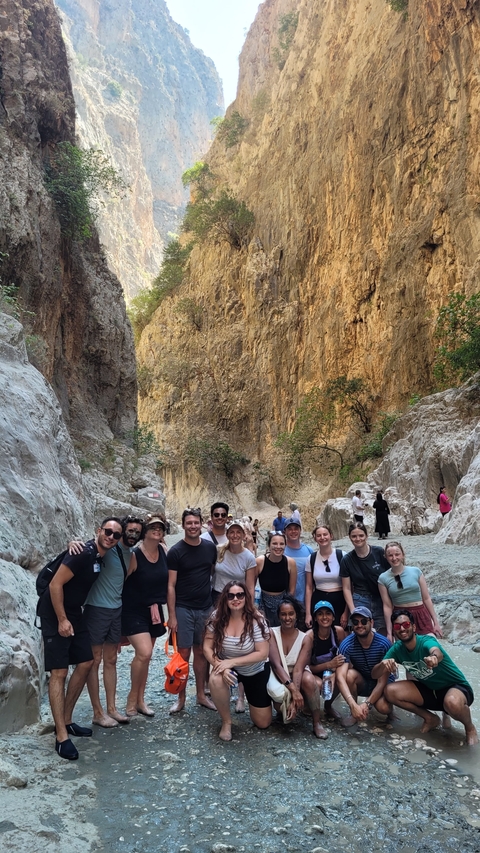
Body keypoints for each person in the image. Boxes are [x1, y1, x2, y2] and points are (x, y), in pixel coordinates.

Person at [38, 517, 124, 760]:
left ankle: (66, 720)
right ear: (99, 531)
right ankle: (61, 736)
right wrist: (62, 620)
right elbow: (55, 585)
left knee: (86, 662)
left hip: (75, 613)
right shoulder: (82, 553)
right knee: (59, 672)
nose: (111, 536)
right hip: (55, 613)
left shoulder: (98, 556)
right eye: (108, 531)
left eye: (116, 534)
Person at [372, 610, 478, 746]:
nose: (402, 629)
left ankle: (470, 728)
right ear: (394, 630)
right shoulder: (397, 649)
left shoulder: (425, 641)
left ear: (414, 627)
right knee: (390, 691)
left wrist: (434, 658)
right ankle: (430, 718)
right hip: (430, 690)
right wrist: (383, 664)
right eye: (397, 626)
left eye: (406, 624)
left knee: (452, 702)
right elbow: (374, 674)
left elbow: (436, 651)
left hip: (455, 688)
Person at [204, 581, 271, 741]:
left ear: (246, 597)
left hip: (254, 670)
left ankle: (249, 697)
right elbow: (207, 647)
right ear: (225, 598)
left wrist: (231, 663)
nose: (236, 599)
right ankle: (226, 722)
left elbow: (262, 653)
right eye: (231, 596)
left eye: (240, 595)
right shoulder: (217, 617)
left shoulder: (256, 619)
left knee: (263, 723)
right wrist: (221, 666)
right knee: (215, 678)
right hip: (228, 668)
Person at [167, 508, 217, 714]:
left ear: (201, 523)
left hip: (205, 607)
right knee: (183, 654)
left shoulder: (210, 548)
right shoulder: (175, 551)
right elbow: (171, 585)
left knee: (201, 652)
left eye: (196, 522)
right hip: (183, 608)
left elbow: (211, 572)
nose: (193, 526)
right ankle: (181, 698)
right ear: (183, 525)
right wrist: (171, 616)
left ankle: (201, 695)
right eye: (189, 523)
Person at [122, 516, 169, 717]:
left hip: (154, 611)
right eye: (152, 527)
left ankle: (141, 700)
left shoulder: (164, 551)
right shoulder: (134, 555)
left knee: (146, 658)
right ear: (145, 531)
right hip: (133, 610)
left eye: (160, 528)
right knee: (144, 652)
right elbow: (120, 582)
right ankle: (132, 698)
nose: (157, 530)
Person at [213, 519, 257, 713]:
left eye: (239, 532)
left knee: (240, 645)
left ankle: (240, 696)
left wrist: (251, 608)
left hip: (238, 602)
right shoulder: (218, 550)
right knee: (219, 644)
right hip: (218, 600)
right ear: (227, 533)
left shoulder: (248, 557)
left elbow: (250, 586)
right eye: (232, 532)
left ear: (244, 534)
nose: (235, 535)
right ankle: (220, 686)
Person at [269, 596, 327, 738]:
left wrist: (295, 694)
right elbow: (276, 665)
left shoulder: (305, 638)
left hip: (298, 674)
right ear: (278, 616)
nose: (287, 618)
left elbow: (298, 669)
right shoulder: (271, 633)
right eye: (283, 614)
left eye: (291, 614)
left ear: (296, 615)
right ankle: (285, 709)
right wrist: (293, 691)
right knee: (280, 707)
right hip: (279, 674)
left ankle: (317, 722)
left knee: (310, 680)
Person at [335, 606, 394, 726]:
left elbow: (382, 682)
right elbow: (340, 677)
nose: (359, 625)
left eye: (363, 621)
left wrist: (367, 704)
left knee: (383, 708)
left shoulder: (383, 644)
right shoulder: (347, 644)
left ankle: (390, 711)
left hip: (382, 682)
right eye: (355, 622)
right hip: (363, 680)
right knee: (348, 675)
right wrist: (352, 705)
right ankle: (354, 711)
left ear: (371, 623)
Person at [378, 541, 442, 641]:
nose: (394, 558)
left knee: (430, 643)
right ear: (386, 557)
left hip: (420, 613)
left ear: (403, 554)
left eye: (397, 554)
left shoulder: (416, 571)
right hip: (400, 617)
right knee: (405, 647)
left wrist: (436, 623)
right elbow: (387, 606)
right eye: (390, 555)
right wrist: (389, 632)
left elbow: (426, 598)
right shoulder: (383, 578)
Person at [340, 522, 390, 634]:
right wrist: (352, 609)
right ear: (350, 538)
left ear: (366, 536)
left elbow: (390, 576)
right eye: (354, 536)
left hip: (381, 598)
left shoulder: (379, 552)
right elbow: (346, 588)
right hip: (360, 599)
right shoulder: (347, 560)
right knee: (361, 633)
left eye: (361, 535)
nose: (358, 539)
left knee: (383, 633)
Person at [308, 600, 347, 721]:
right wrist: (329, 664)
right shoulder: (309, 636)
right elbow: (306, 667)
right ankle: (310, 705)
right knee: (318, 684)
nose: (324, 617)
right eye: (320, 614)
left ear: (333, 617)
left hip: (331, 672)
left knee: (343, 677)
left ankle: (328, 706)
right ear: (315, 618)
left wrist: (336, 673)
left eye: (328, 613)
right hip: (313, 673)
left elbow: (345, 658)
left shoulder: (339, 632)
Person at [305, 525, 347, 627]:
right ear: (315, 538)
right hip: (319, 599)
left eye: (325, 534)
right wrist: (308, 613)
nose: (322, 537)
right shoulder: (311, 558)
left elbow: (349, 587)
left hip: (339, 599)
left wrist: (346, 612)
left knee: (340, 631)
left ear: (331, 536)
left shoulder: (342, 555)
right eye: (319, 535)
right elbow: (309, 587)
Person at [252, 532, 297, 627]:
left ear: (285, 545)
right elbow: (251, 587)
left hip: (283, 603)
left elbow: (292, 591)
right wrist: (253, 607)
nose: (278, 547)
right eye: (274, 543)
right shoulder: (259, 561)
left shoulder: (290, 563)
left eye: (281, 544)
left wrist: (286, 609)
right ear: (269, 545)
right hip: (263, 604)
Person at [283, 517, 314, 608]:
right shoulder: (281, 551)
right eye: (290, 529)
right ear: (285, 532)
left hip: (306, 600)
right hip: (285, 602)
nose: (293, 531)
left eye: (296, 529)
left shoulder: (309, 550)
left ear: (300, 531)